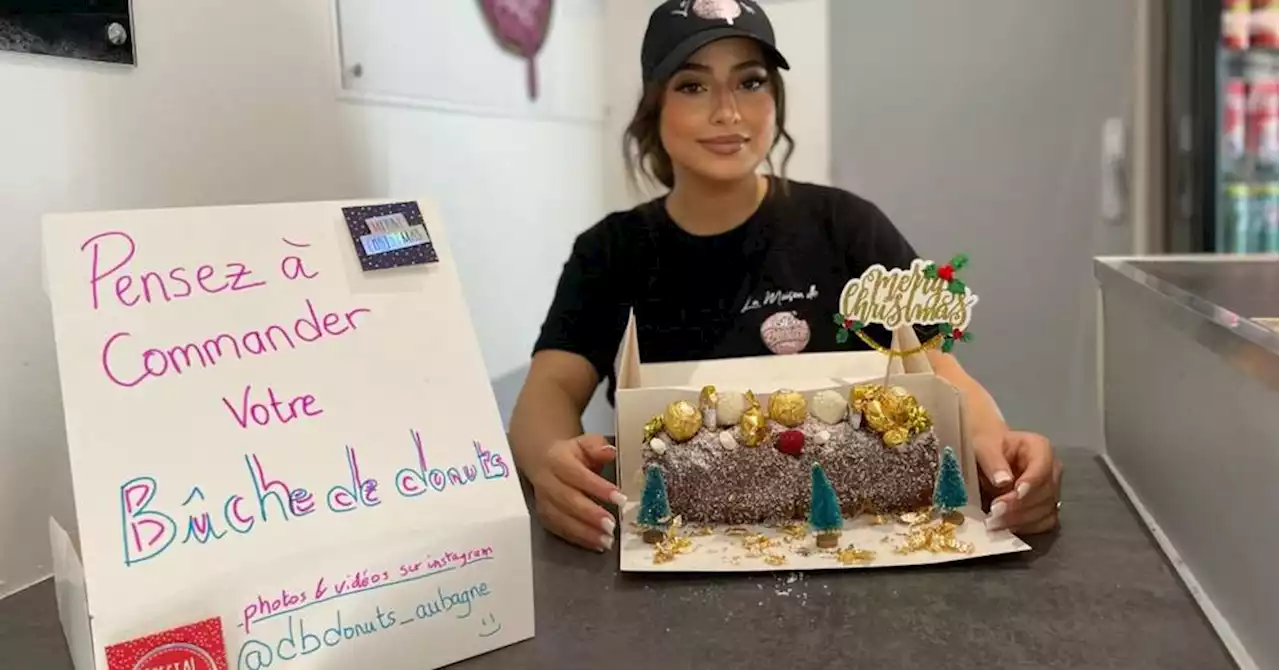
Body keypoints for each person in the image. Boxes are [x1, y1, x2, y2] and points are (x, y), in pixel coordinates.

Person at [509, 0, 1062, 553]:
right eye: (693, 86)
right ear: (653, 106)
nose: (728, 112)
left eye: (750, 82)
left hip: (857, 542)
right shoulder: (611, 251)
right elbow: (550, 390)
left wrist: (999, 448)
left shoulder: (847, 227)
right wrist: (550, 462)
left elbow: (940, 364)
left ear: (776, 99)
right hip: (667, 547)